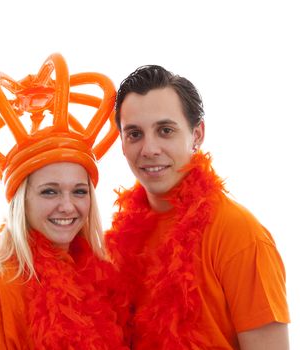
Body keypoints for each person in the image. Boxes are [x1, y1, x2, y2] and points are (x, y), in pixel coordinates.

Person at [105, 65, 290, 349]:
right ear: (122, 142)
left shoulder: (240, 236)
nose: (149, 149)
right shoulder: (120, 241)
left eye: (165, 130)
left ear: (197, 135)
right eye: (134, 134)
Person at [0, 53, 129, 349]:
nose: (67, 206)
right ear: (22, 202)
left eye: (79, 191)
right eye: (49, 191)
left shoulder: (99, 279)